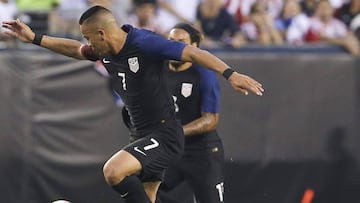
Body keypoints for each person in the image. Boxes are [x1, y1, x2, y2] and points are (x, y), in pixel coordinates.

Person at [2, 5, 264, 203]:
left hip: (165, 134)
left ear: (102, 33)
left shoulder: (145, 43)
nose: (87, 43)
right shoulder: (103, 48)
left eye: (89, 37)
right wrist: (35, 38)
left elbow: (194, 52)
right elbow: (75, 50)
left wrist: (231, 74)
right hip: (140, 133)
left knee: (113, 171)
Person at [157, 23, 224, 203]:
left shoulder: (203, 73)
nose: (174, 46)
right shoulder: (157, 69)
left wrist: (177, 132)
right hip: (170, 150)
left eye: (181, 42)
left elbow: (211, 119)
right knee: (144, 190)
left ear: (194, 47)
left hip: (201, 151)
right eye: (171, 41)